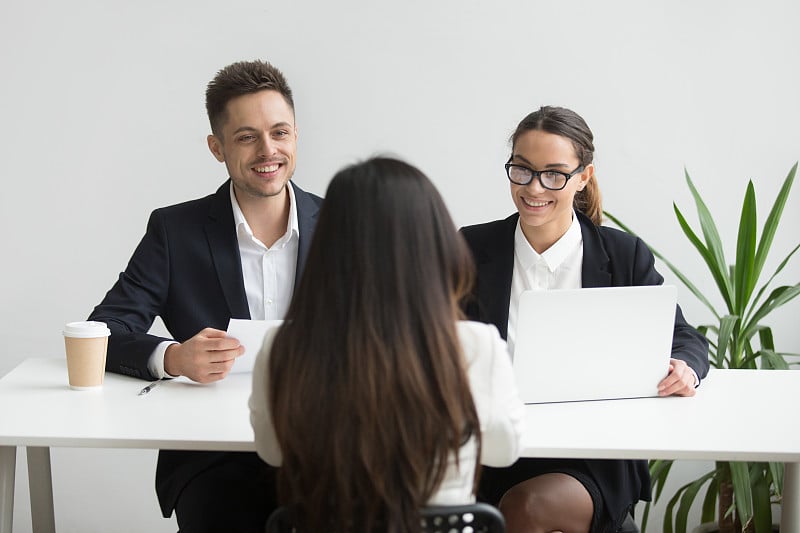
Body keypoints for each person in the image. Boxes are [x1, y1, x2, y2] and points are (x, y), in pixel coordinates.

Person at [88, 60, 323, 532]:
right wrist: (173, 358)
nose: (268, 150)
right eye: (246, 137)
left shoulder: (347, 225)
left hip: (326, 446)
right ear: (217, 147)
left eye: (279, 132)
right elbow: (103, 332)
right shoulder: (176, 231)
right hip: (213, 456)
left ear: (296, 135)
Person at [460, 106, 710, 533]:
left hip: (594, 455)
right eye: (522, 170)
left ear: (583, 177)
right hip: (499, 448)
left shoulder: (623, 254)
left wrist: (685, 369)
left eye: (554, 174)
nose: (534, 187)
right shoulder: (472, 247)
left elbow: (684, 337)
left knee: (525, 507)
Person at [249, 156, 526, 533]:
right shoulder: (476, 347)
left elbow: (271, 452)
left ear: (329, 247)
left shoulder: (283, 347)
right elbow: (504, 451)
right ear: (432, 244)